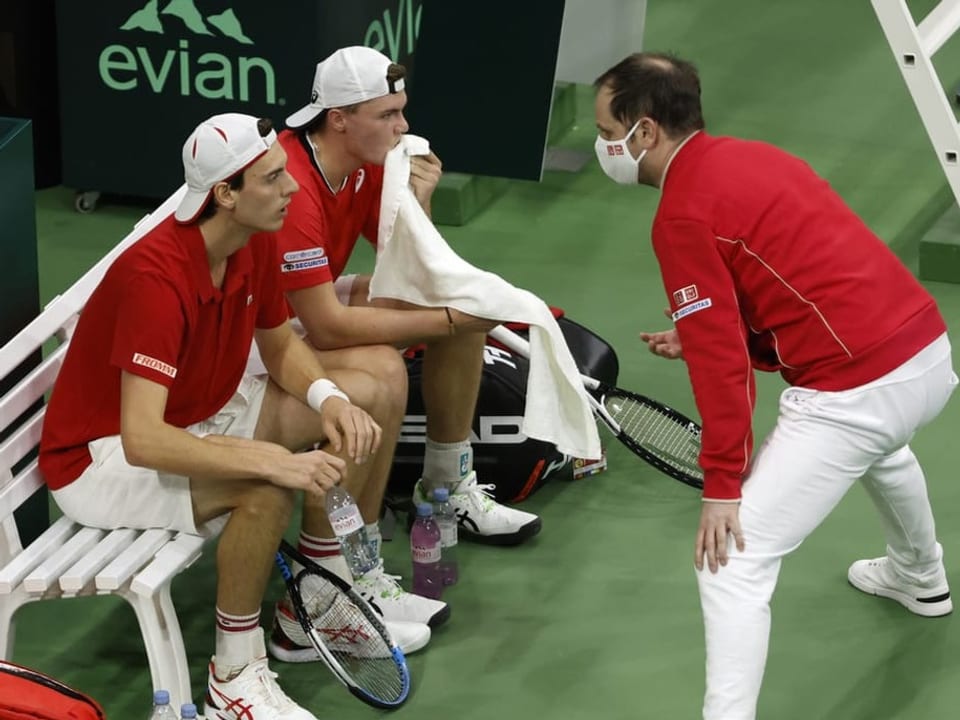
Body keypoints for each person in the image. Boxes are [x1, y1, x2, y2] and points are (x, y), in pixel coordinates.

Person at [592, 52, 957, 719]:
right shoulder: (758, 157)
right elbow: (801, 279)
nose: (602, 147)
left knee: (730, 563)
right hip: (927, 352)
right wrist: (725, 332)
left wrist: (722, 485)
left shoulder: (679, 217)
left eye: (605, 131)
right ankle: (920, 575)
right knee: (885, 446)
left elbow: (719, 362)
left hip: (861, 389)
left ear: (642, 133)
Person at [38, 112, 432, 720]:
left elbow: (279, 348)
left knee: (364, 398)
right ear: (225, 194)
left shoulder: (250, 241)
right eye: (273, 179)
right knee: (265, 489)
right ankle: (234, 676)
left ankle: (321, 604)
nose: (292, 188)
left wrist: (328, 400)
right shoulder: (156, 280)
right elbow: (143, 439)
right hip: (100, 458)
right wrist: (270, 459)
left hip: (200, 416)